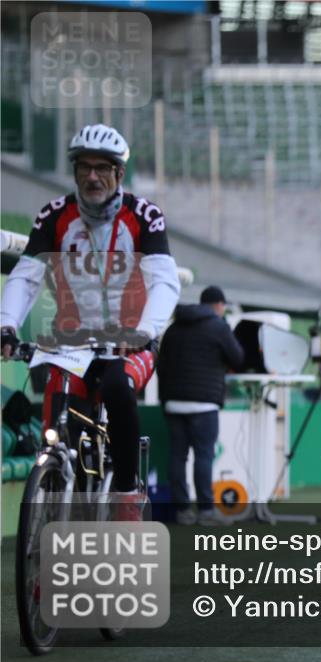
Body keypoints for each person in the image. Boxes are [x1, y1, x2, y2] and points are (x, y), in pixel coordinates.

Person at [0, 124, 181, 520]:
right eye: (84, 167)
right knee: (58, 418)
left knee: (117, 385)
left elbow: (165, 283)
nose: (92, 176)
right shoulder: (54, 216)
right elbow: (26, 277)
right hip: (71, 343)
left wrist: (144, 332)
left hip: (130, 341)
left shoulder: (144, 216)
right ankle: (59, 490)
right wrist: (8, 326)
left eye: (102, 168)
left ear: (119, 174)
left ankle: (127, 491)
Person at [157, 286, 244, 526]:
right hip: (204, 403)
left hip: (174, 402)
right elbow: (237, 357)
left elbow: (160, 365)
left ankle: (182, 511)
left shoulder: (174, 328)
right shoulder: (219, 327)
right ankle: (206, 511)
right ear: (218, 305)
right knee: (203, 456)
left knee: (177, 457)